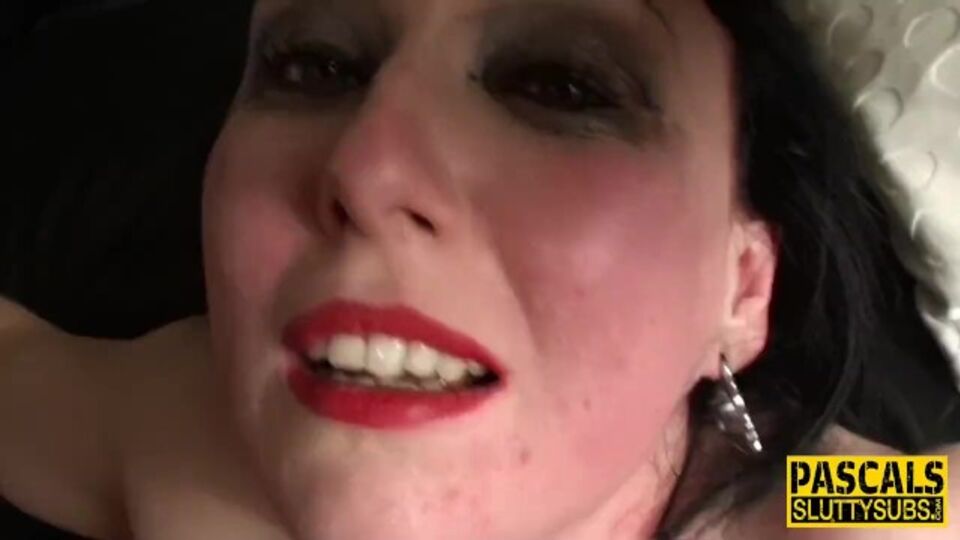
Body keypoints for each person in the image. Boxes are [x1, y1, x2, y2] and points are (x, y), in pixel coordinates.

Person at [1, 0, 959, 538]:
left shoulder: (813, 504)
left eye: (561, 86)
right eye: (314, 67)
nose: (368, 168)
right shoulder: (175, 430)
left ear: (741, 288)